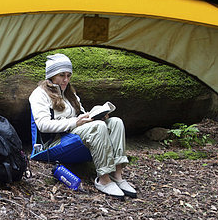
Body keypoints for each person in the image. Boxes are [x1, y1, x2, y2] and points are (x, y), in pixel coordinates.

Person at [29, 53, 137, 199]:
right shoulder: (39, 94)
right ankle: (103, 180)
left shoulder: (69, 93)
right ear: (52, 75)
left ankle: (117, 175)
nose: (66, 80)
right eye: (62, 75)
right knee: (98, 127)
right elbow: (43, 125)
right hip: (55, 142)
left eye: (69, 75)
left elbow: (81, 114)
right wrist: (75, 122)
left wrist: (95, 116)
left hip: (76, 132)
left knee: (115, 122)